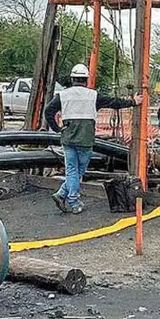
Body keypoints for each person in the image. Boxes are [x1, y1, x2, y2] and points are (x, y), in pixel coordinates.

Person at [44, 63, 138, 214]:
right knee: (78, 171)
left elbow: (48, 112)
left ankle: (62, 194)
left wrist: (57, 128)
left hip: (68, 138)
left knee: (72, 171)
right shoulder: (93, 96)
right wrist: (133, 102)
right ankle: (73, 202)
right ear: (86, 80)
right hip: (85, 140)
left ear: (72, 78)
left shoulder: (62, 95)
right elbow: (114, 103)